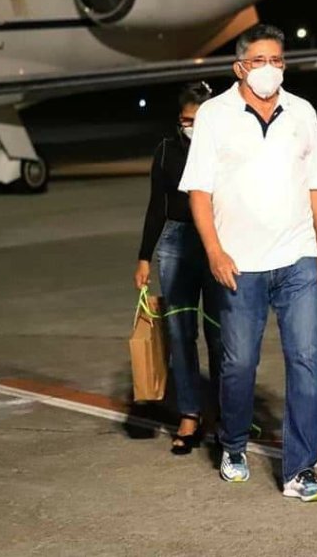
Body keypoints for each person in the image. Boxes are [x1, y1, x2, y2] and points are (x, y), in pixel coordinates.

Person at [179, 24, 317, 502]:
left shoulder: (302, 112)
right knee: (239, 363)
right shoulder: (214, 115)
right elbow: (199, 191)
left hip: (297, 257)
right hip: (239, 264)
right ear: (239, 67)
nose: (270, 69)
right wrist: (214, 250)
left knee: (306, 360)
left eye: (277, 60)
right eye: (260, 60)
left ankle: (301, 470)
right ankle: (233, 444)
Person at [134, 81, 220, 455]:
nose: (191, 127)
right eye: (187, 120)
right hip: (176, 243)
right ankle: (190, 414)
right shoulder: (167, 150)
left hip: (217, 240)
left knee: (221, 334)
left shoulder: (224, 148)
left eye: (199, 120)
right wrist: (144, 257)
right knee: (181, 333)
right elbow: (157, 205)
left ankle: (227, 413)